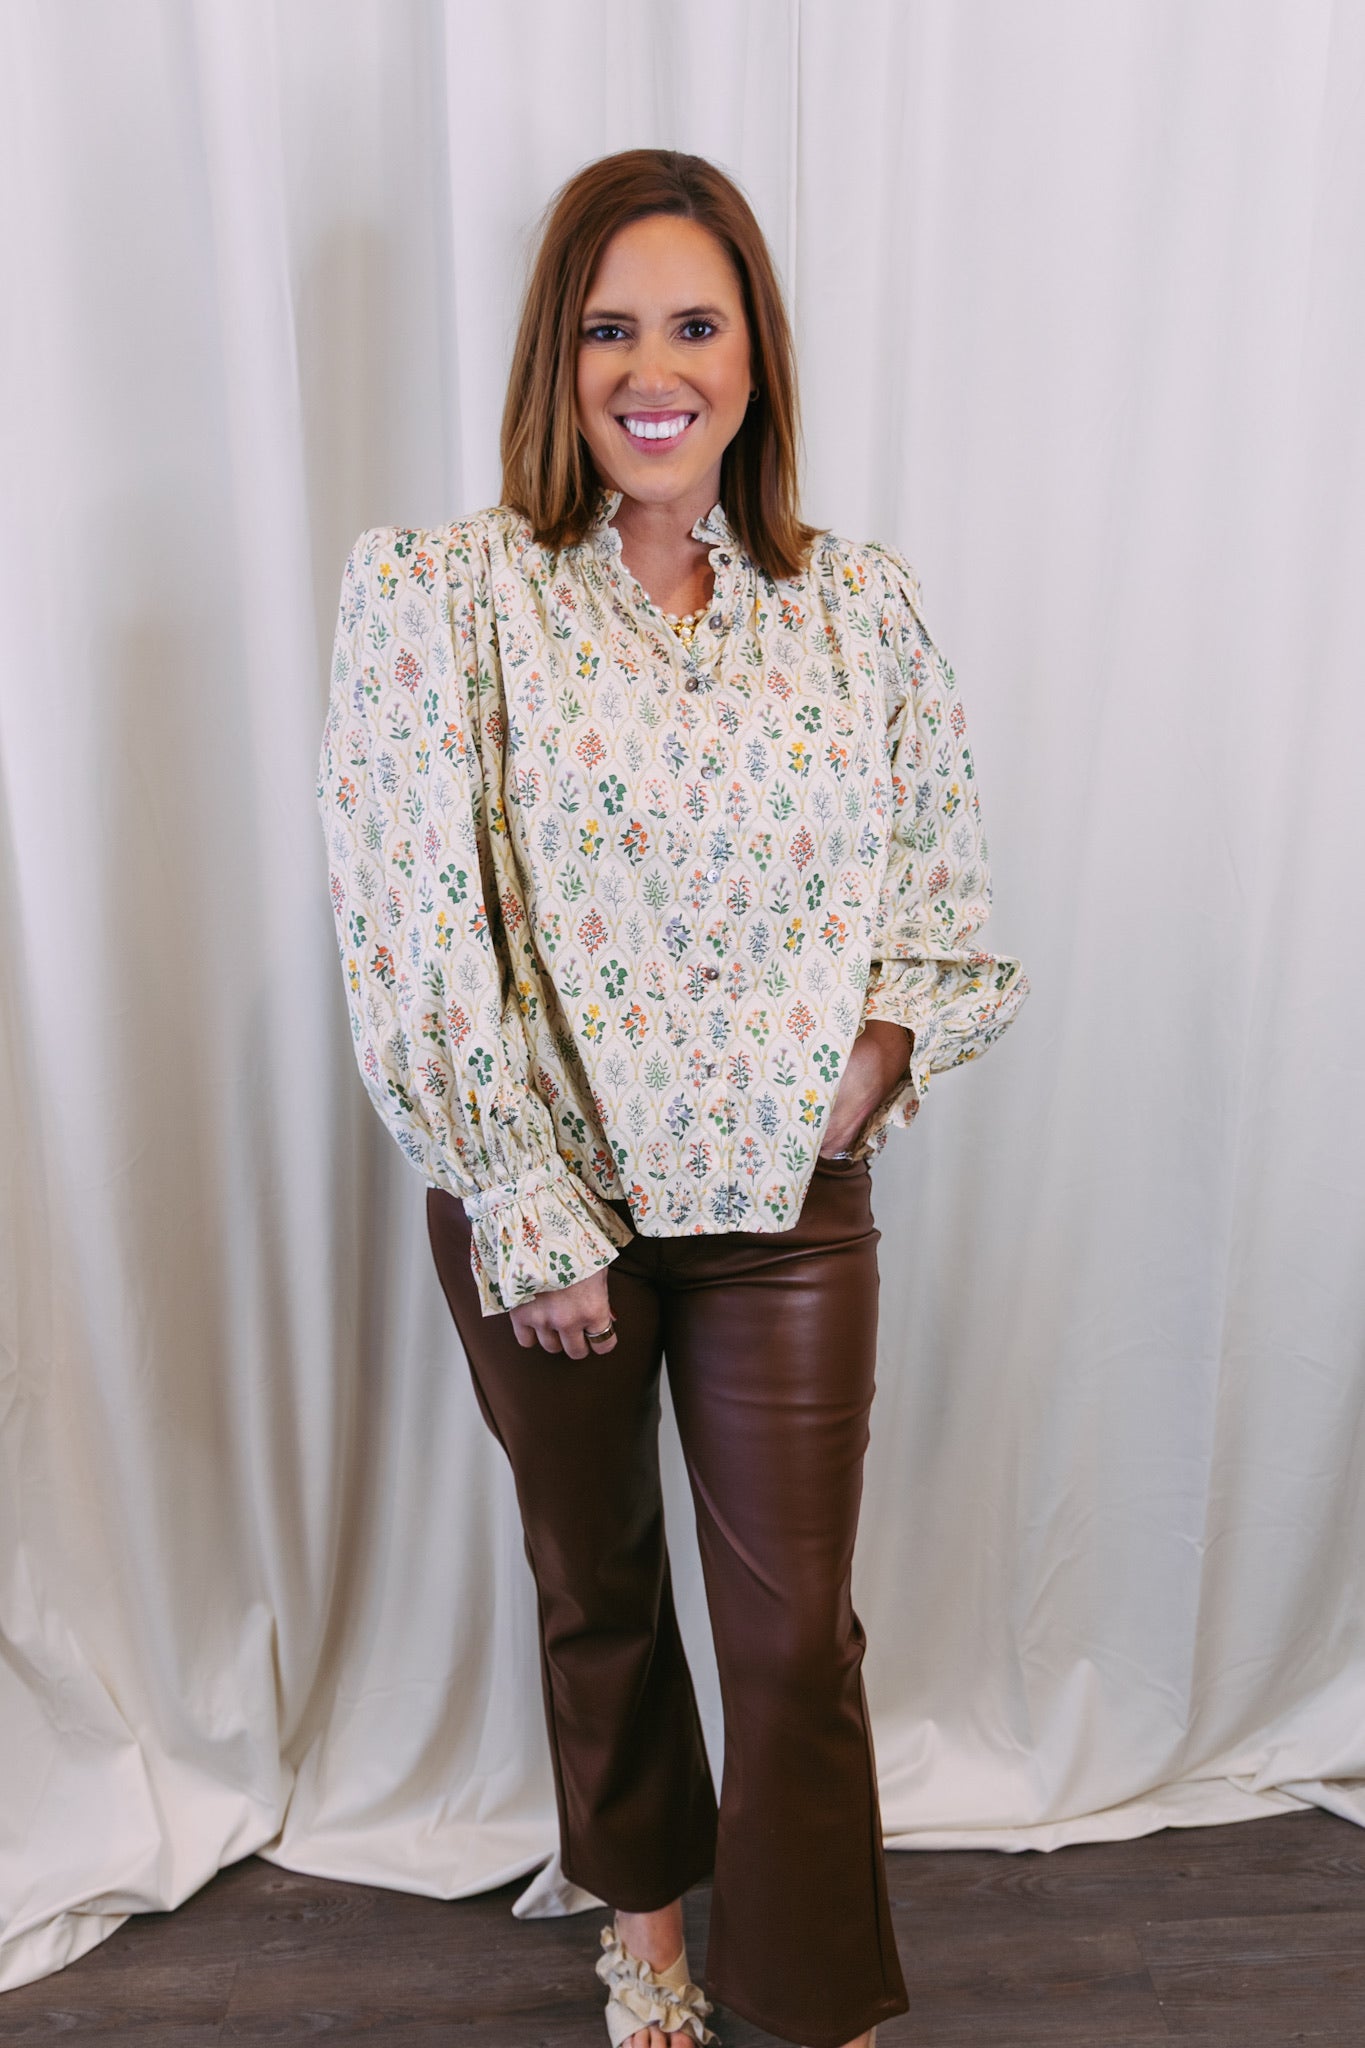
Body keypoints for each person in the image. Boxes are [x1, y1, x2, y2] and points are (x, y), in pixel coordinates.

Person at [319, 147, 1027, 2048]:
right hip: (547, 1211)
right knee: (601, 1591)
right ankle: (643, 1935)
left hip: (784, 1217)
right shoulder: (442, 597)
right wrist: (530, 1209)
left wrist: (849, 1088)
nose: (655, 366)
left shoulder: (848, 607)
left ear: (751, 357)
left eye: (694, 325)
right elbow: (409, 925)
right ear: (558, 360)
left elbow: (940, 905)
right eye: (609, 325)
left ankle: (815, 1995)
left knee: (797, 1637)